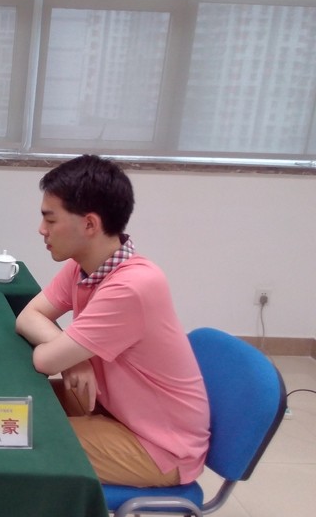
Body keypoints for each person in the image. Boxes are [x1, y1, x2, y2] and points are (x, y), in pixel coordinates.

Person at [15, 154, 209, 488]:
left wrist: (67, 356)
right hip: (112, 407)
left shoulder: (132, 286)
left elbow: (45, 360)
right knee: (13, 404)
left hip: (157, 445)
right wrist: (76, 359)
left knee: (11, 437)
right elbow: (28, 317)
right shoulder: (84, 265)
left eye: (50, 219)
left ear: (89, 225)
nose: (41, 230)